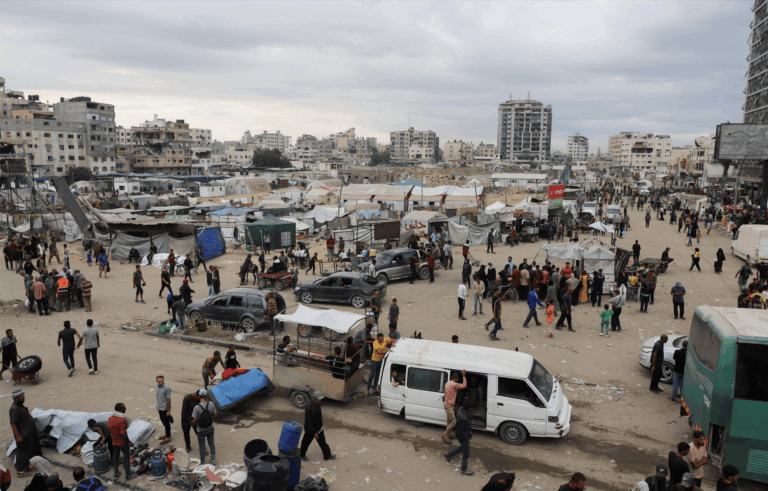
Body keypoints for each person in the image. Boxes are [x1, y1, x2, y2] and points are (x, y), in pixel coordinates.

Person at [10, 389, 41, 477]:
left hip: (27, 434)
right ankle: (21, 471)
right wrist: (18, 436)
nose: (24, 397)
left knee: (29, 451)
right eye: (22, 396)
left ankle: (29, 466)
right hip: (22, 435)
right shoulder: (14, 409)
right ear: (16, 398)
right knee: (23, 453)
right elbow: (13, 423)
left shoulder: (19, 406)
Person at [300, 391, 336, 462]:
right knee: (306, 442)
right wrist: (314, 433)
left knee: (323, 442)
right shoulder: (309, 407)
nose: (320, 400)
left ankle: (327, 455)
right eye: (318, 399)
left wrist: (320, 427)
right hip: (310, 429)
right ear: (314, 398)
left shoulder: (318, 403)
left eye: (320, 399)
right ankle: (301, 455)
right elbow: (308, 421)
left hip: (319, 428)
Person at [444, 399, 474, 476]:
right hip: (463, 436)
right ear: (469, 408)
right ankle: (464, 470)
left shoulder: (461, 409)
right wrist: (466, 437)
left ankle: (449, 454)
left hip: (462, 435)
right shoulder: (463, 419)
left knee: (463, 447)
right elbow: (460, 431)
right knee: (466, 453)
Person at [191, 389, 217, 465]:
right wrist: (210, 416)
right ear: (206, 396)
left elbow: (194, 420)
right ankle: (213, 460)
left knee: (202, 446)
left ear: (199, 396)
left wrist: (192, 423)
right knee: (211, 443)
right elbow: (215, 415)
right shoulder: (211, 404)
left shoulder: (197, 407)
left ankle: (203, 462)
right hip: (210, 428)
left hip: (201, 430)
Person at [108, 403, 134, 480]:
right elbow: (123, 433)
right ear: (120, 409)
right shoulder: (123, 419)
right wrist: (129, 442)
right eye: (124, 407)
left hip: (114, 442)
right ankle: (127, 476)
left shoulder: (110, 418)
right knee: (126, 458)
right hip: (122, 442)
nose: (125, 408)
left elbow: (109, 429)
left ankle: (116, 474)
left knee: (115, 458)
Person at [441, 370, 467, 443]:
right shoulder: (454, 385)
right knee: (454, 422)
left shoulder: (447, 383)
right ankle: (445, 434)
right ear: (457, 379)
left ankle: (448, 435)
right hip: (449, 405)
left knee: (449, 421)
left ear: (452, 377)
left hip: (446, 404)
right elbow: (464, 385)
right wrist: (464, 375)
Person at [155, 375, 172, 445]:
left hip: (164, 409)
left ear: (164, 380)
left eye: (162, 381)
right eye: (159, 381)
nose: (160, 383)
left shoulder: (167, 388)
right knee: (163, 422)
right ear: (156, 381)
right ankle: (167, 434)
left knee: (166, 423)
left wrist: (168, 411)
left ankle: (168, 437)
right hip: (159, 408)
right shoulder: (157, 387)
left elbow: (169, 400)